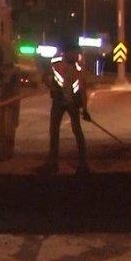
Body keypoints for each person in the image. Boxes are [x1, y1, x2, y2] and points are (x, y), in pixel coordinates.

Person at [44, 41, 90, 174]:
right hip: (58, 101)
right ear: (68, 53)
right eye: (74, 53)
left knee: (77, 130)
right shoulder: (56, 63)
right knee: (54, 131)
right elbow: (44, 77)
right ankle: (53, 163)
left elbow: (82, 89)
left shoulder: (79, 67)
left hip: (73, 103)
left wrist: (85, 109)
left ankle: (83, 164)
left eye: (77, 53)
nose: (76, 56)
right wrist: (51, 88)